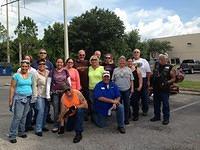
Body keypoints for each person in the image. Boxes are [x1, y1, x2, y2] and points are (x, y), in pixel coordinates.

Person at [8, 60, 33, 143]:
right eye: (23, 66)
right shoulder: (16, 76)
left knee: (24, 116)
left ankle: (21, 131)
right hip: (19, 98)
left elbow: (33, 86)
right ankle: (12, 135)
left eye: (26, 66)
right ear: (20, 67)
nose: (24, 68)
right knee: (17, 117)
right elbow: (12, 87)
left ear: (28, 67)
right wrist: (10, 100)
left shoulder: (30, 75)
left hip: (28, 98)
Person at [46, 58, 71, 133]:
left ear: (63, 63)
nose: (59, 63)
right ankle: (56, 125)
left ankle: (63, 124)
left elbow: (69, 82)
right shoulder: (52, 71)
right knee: (56, 110)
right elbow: (48, 83)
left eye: (61, 62)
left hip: (64, 93)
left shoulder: (65, 71)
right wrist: (48, 95)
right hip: (55, 93)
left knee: (64, 109)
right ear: (56, 63)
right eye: (58, 62)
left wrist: (70, 92)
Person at [150, 54, 176, 125]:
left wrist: (167, 82)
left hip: (164, 89)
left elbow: (174, 78)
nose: (160, 61)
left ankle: (166, 118)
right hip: (156, 89)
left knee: (165, 104)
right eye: (159, 59)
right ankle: (157, 116)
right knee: (156, 104)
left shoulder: (171, 67)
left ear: (166, 60)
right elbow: (153, 74)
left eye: (162, 59)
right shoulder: (157, 65)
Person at [31, 48, 54, 124]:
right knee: (39, 108)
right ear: (39, 54)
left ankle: (45, 120)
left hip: (47, 91)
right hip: (38, 90)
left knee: (46, 108)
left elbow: (52, 76)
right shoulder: (34, 64)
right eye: (41, 53)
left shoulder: (50, 64)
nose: (42, 54)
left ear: (46, 55)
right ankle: (37, 121)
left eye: (44, 53)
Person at [112, 56, 134, 125]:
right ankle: (120, 118)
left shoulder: (129, 69)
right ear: (118, 62)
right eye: (120, 61)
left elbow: (132, 80)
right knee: (119, 105)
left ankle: (126, 119)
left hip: (126, 90)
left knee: (127, 105)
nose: (122, 62)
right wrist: (113, 90)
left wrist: (132, 88)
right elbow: (113, 80)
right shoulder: (115, 70)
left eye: (123, 61)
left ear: (125, 62)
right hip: (118, 91)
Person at [32, 59, 49, 136]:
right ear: (38, 65)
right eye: (40, 64)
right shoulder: (35, 74)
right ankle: (38, 129)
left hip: (47, 95)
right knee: (41, 111)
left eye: (43, 64)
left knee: (46, 111)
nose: (42, 65)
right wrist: (35, 97)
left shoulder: (48, 72)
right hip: (39, 95)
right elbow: (34, 86)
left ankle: (43, 125)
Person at [132, 48, 151, 116]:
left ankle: (145, 110)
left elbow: (148, 72)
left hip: (144, 79)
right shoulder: (131, 61)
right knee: (135, 98)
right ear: (133, 54)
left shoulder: (144, 61)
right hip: (134, 81)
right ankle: (135, 112)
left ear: (140, 53)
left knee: (145, 97)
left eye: (137, 52)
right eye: (135, 52)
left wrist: (148, 81)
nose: (136, 53)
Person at [74, 50, 90, 120]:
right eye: (80, 55)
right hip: (78, 86)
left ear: (85, 55)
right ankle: (78, 114)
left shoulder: (87, 62)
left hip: (86, 85)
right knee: (78, 101)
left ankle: (86, 114)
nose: (82, 56)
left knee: (86, 100)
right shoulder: (75, 63)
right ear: (78, 55)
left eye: (83, 55)